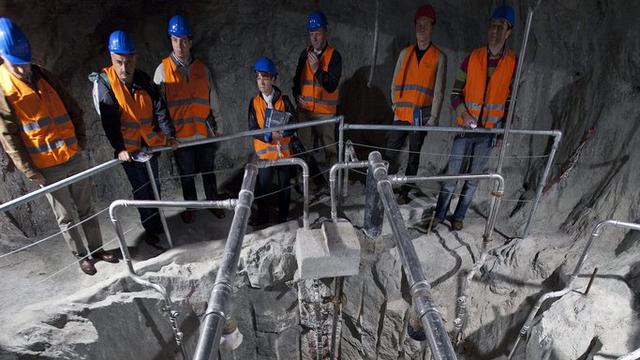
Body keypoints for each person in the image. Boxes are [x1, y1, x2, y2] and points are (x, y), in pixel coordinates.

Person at [0, 17, 116, 275]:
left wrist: (81, 139)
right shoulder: (3, 89)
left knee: (86, 206)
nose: (22, 70)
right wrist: (30, 171)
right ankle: (82, 256)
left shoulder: (42, 74)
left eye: (25, 62)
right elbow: (8, 136)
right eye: (16, 65)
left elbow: (71, 106)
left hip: (72, 154)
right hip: (46, 166)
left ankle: (97, 249)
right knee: (65, 216)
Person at [434, 5, 517, 230]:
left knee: (473, 179)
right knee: (452, 175)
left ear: (509, 32)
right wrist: (464, 113)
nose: (495, 31)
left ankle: (458, 217)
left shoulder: (512, 64)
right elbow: (454, 94)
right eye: (492, 26)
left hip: (489, 131)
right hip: (465, 128)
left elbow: (510, 101)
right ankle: (439, 216)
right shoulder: (472, 58)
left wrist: (503, 131)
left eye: (500, 27)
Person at [93, 30, 177, 244]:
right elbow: (109, 120)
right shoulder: (105, 84)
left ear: (134, 58)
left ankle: (160, 225)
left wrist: (168, 136)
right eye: (119, 62)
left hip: (150, 146)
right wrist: (119, 148)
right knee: (141, 190)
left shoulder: (142, 79)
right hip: (129, 151)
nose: (124, 67)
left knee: (154, 186)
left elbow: (160, 108)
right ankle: (151, 230)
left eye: (128, 61)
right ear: (112, 58)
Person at [153, 15, 226, 224]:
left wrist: (219, 125)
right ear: (170, 41)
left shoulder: (202, 69)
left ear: (190, 41)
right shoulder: (162, 71)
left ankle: (213, 203)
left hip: (202, 133)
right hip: (180, 137)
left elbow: (214, 98)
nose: (180, 45)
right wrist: (165, 136)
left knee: (208, 171)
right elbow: (157, 109)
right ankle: (191, 206)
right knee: (186, 175)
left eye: (184, 40)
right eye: (175, 40)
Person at [384, 4, 447, 203]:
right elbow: (394, 83)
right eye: (419, 24)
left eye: (425, 25)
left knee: (413, 155)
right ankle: (387, 186)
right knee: (390, 152)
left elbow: (438, 90)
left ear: (432, 27)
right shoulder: (405, 53)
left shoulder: (439, 57)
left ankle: (405, 191)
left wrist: (434, 117)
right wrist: (395, 105)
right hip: (401, 114)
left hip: (421, 116)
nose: (421, 28)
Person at [248, 57, 296, 226]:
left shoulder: (285, 100)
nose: (261, 82)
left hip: (282, 152)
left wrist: (283, 133)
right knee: (264, 188)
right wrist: (269, 137)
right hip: (265, 154)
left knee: (284, 186)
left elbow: (295, 124)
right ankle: (262, 218)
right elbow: (253, 128)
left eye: (265, 77)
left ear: (274, 78)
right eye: (258, 77)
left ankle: (283, 217)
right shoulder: (254, 103)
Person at [292, 10, 342, 165]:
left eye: (317, 33)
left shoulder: (334, 56)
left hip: (325, 114)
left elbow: (331, 86)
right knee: (302, 149)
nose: (314, 38)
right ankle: (308, 185)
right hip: (305, 111)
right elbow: (296, 81)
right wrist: (296, 96)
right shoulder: (304, 54)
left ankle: (333, 185)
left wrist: (316, 70)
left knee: (330, 151)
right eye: (311, 33)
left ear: (325, 33)